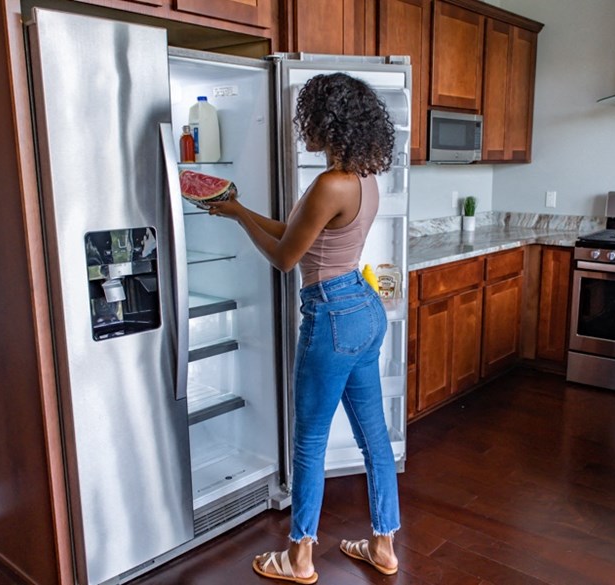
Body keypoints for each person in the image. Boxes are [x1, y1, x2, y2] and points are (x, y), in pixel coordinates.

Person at [207, 72, 400, 584]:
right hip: (363, 309)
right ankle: (383, 545)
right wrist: (239, 211)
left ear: (327, 120)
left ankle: (299, 556)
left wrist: (241, 218)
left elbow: (285, 257)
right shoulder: (361, 177)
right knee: (374, 437)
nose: (302, 128)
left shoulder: (329, 184)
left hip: (331, 314)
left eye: (308, 116)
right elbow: (300, 234)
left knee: (310, 441)